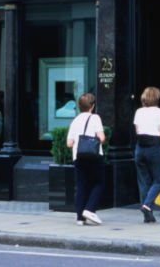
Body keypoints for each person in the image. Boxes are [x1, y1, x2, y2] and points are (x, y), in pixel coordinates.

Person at [133, 86, 160, 223]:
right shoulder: (159, 112)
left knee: (143, 181)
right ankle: (147, 205)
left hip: (140, 147)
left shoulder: (138, 112)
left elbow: (137, 131)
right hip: (153, 147)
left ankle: (148, 214)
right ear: (156, 98)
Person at [66, 92, 106, 227]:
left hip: (78, 156)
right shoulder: (95, 118)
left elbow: (69, 143)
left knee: (81, 185)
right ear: (92, 106)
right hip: (94, 156)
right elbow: (102, 138)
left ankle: (79, 218)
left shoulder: (75, 120)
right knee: (99, 183)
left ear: (79, 106)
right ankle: (89, 209)